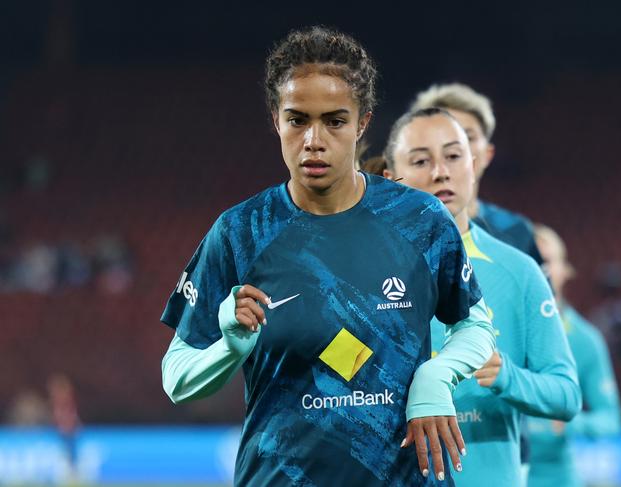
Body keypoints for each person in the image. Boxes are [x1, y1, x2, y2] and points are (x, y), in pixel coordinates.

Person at [160, 26, 495, 486]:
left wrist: (437, 377)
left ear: (362, 123)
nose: (314, 140)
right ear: (276, 119)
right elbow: (177, 378)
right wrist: (229, 348)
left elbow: (475, 325)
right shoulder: (240, 232)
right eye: (298, 120)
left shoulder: (419, 219)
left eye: (335, 121)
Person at [383, 107, 581, 487]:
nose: (441, 171)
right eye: (421, 160)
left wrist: (506, 375)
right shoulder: (364, 274)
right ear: (392, 178)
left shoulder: (519, 271)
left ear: (473, 165)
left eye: (454, 156)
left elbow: (566, 395)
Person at [528, 224, 621, 487]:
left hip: (556, 476)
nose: (540, 269)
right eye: (531, 259)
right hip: (502, 470)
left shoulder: (585, 339)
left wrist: (571, 423)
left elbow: (610, 419)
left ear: (564, 270)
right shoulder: (499, 329)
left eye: (546, 261)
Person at [410, 83, 543, 265]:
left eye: (468, 136)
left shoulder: (516, 232)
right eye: (443, 135)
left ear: (488, 154)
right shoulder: (392, 231)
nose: (456, 146)